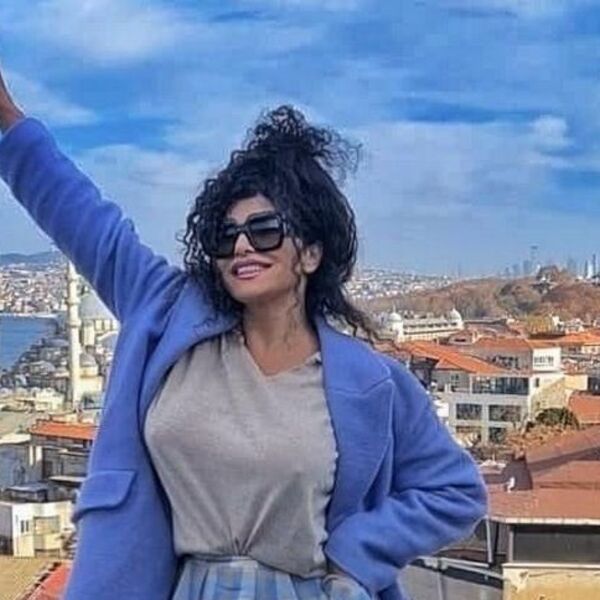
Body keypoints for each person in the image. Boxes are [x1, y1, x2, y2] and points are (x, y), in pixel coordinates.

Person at [0, 65, 487, 600]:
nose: (242, 246)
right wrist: (9, 118)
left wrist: (355, 554)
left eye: (264, 229)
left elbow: (456, 491)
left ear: (311, 252)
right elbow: (87, 222)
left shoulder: (372, 382)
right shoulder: (169, 317)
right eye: (225, 234)